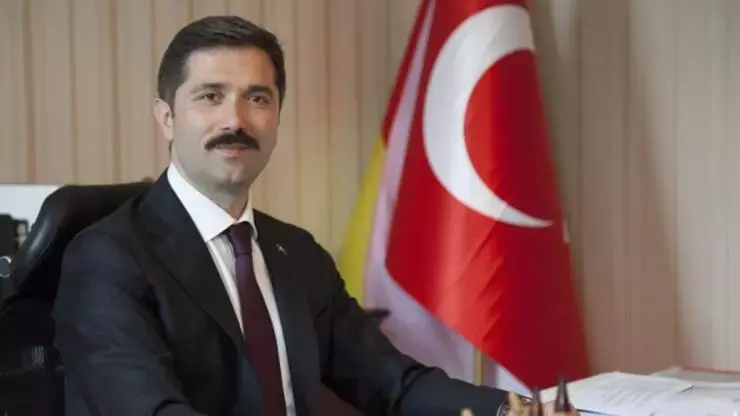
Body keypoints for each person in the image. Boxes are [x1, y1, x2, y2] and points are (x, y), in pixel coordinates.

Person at [52, 15, 579, 416]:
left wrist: (513, 410)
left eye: (257, 98)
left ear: (276, 116)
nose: (235, 119)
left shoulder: (296, 253)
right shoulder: (106, 259)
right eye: (210, 96)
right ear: (167, 118)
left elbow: (394, 384)